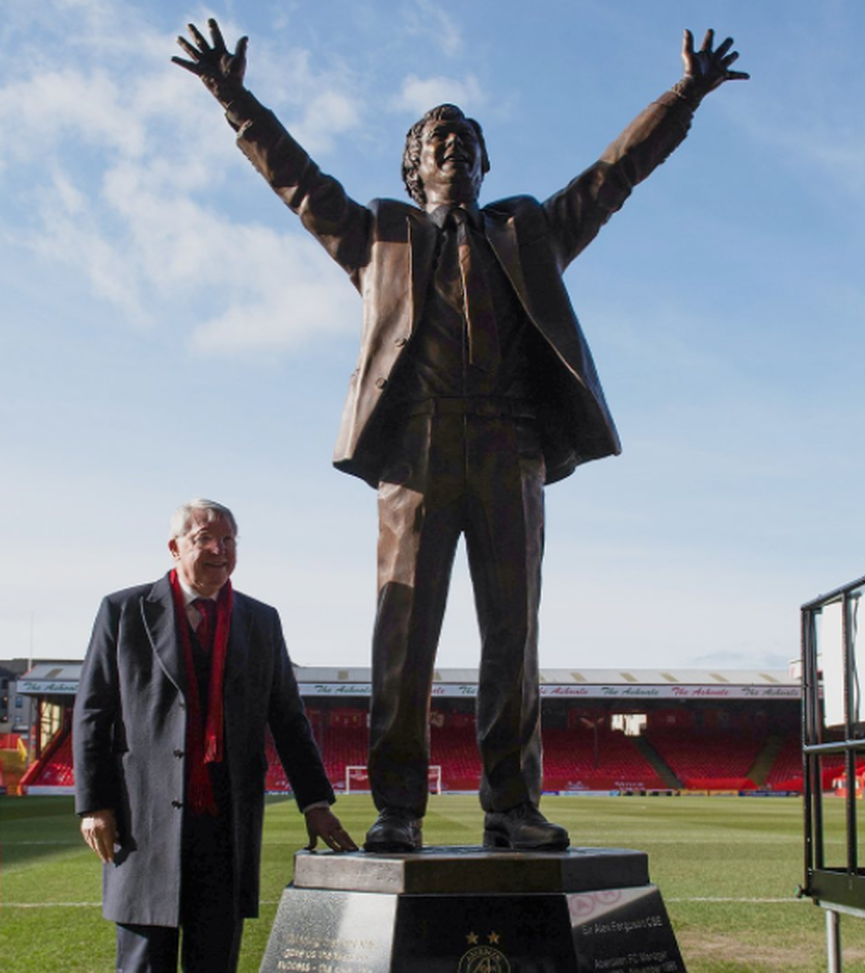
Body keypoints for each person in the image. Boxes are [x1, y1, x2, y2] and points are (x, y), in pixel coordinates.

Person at [173, 22, 747, 854]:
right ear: (414, 168)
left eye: (465, 139)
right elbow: (296, 181)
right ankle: (398, 807)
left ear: (484, 164)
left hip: (510, 447)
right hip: (415, 450)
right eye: (435, 139)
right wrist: (233, 97)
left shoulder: (529, 233)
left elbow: (613, 175)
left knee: (512, 634)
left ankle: (511, 805)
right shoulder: (379, 235)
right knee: (403, 634)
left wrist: (683, 95)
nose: (452, 146)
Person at [74, 498, 357, 973]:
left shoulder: (260, 620)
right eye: (204, 537)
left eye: (228, 540)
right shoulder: (123, 611)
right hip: (143, 823)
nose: (219, 549)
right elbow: (93, 711)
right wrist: (93, 804)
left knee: (215, 962)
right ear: (174, 547)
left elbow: (288, 718)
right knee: (144, 963)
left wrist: (315, 803)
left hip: (226, 824)